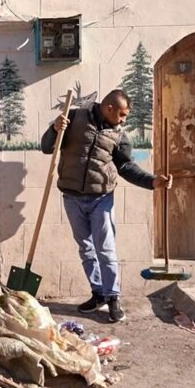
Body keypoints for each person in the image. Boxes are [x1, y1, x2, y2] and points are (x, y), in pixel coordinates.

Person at [41, 89, 173, 323]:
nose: (123, 120)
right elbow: (47, 147)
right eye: (122, 115)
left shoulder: (119, 136)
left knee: (106, 249)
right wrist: (54, 129)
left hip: (101, 198)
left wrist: (152, 182)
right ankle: (98, 292)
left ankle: (113, 298)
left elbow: (126, 168)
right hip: (71, 197)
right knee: (86, 248)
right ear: (108, 108)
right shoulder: (73, 118)